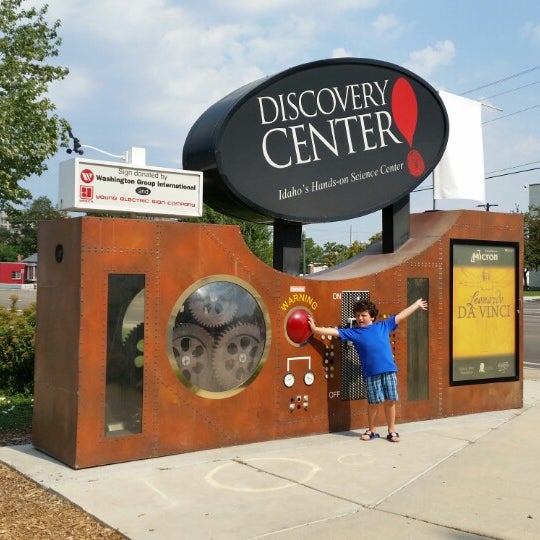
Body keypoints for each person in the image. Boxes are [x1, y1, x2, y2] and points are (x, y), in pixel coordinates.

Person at [307, 298, 428, 443]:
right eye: (357, 315)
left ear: (372, 316)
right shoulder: (354, 332)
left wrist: (416, 305)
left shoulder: (384, 325)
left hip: (389, 370)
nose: (359, 318)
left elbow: (401, 315)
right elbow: (334, 332)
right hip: (371, 374)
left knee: (390, 402)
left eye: (363, 315)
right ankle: (372, 430)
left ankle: (391, 431)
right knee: (373, 403)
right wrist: (315, 329)